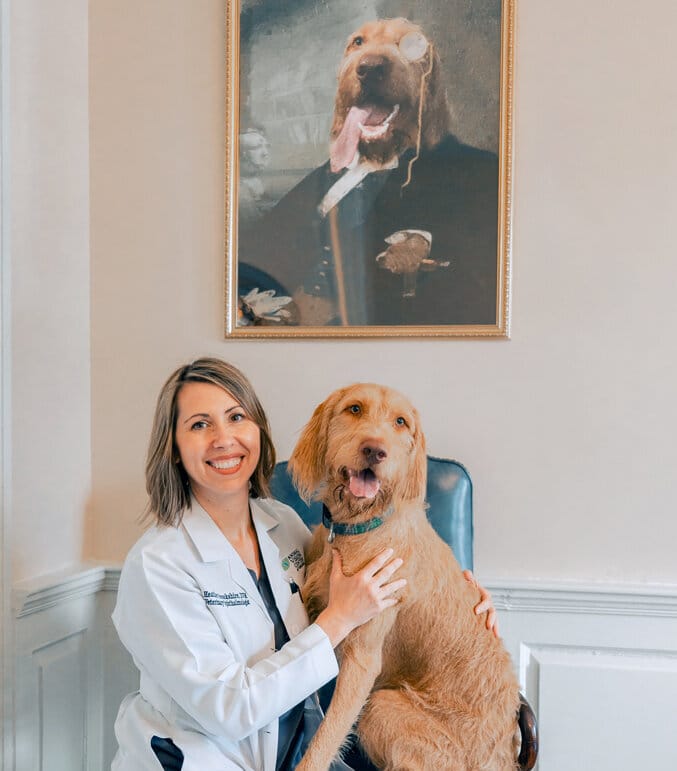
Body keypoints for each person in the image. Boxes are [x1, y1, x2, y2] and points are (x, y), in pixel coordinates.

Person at [111, 358, 496, 770]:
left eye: (236, 418)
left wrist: (464, 609)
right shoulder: (157, 566)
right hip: (204, 758)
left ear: (257, 431)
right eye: (200, 425)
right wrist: (339, 618)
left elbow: (403, 607)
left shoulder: (287, 526)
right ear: (172, 447)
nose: (224, 438)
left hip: (294, 750)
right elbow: (230, 709)